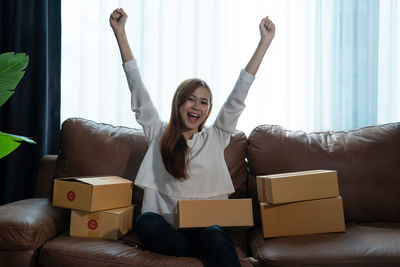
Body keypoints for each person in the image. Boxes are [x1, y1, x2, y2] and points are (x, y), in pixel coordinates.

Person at [110, 8, 275, 267]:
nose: (197, 107)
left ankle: (206, 249)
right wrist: (120, 33)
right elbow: (137, 88)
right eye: (191, 99)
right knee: (145, 223)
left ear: (209, 110)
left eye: (204, 103)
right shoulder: (158, 132)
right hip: (167, 227)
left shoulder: (216, 137)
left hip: (206, 226)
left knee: (214, 234)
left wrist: (264, 43)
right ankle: (208, 253)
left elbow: (238, 95)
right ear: (179, 103)